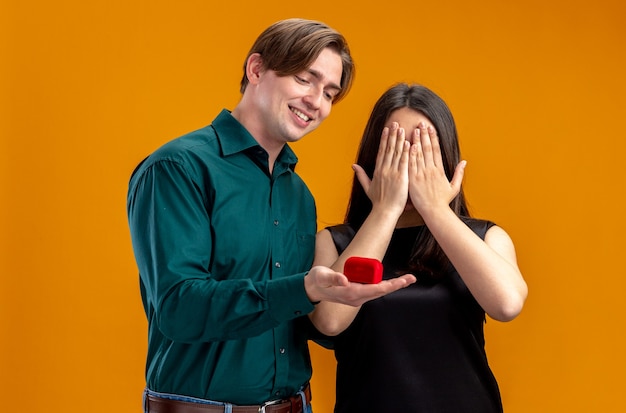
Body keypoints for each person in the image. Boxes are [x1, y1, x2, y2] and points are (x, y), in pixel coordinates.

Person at [126, 19, 416, 413]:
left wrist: (342, 299)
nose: (317, 102)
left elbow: (297, 319)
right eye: (304, 79)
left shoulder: (299, 196)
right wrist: (305, 289)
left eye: (330, 93)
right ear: (257, 69)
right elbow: (179, 309)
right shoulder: (178, 168)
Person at [309, 83, 528, 412]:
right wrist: (385, 210)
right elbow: (329, 321)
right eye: (396, 146)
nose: (409, 161)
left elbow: (508, 305)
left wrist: (436, 208)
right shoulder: (335, 242)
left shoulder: (486, 237)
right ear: (374, 155)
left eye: (423, 147)